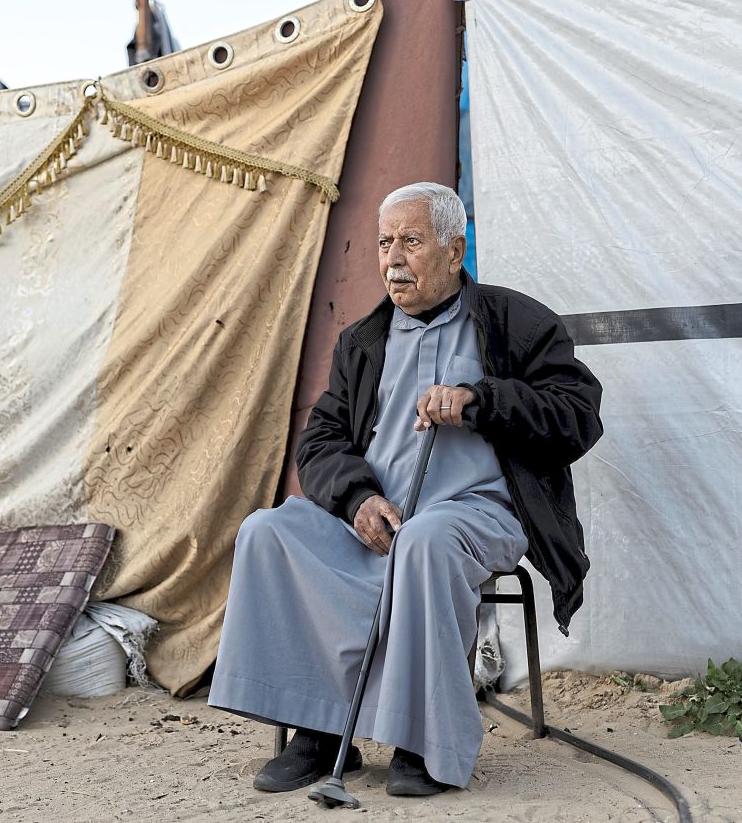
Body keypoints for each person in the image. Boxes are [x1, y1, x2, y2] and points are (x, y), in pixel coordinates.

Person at [207, 182, 603, 795]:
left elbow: (579, 415)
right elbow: (320, 444)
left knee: (426, 541)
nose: (393, 258)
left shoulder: (513, 321)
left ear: (454, 250)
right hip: (377, 516)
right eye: (384, 242)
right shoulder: (362, 342)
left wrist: (481, 400)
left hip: (476, 512)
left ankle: (421, 742)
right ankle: (316, 729)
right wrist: (358, 499)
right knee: (268, 531)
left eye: (411, 242)